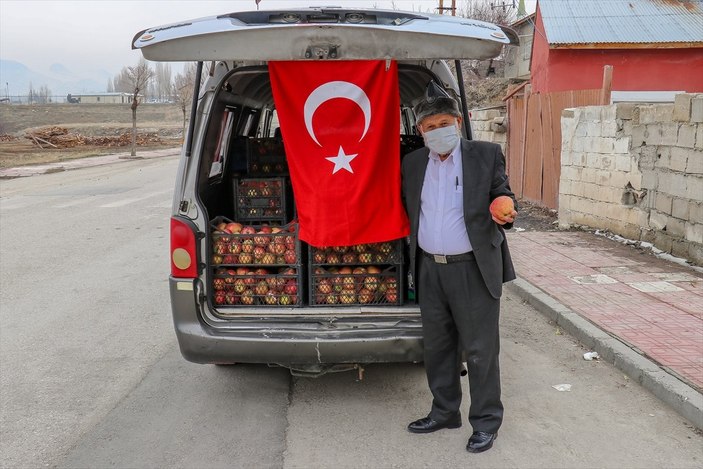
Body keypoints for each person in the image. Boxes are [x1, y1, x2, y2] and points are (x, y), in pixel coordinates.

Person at [401, 81, 517, 454]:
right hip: (430, 269)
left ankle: (485, 422)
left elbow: (503, 192)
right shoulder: (414, 162)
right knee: (437, 348)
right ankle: (444, 412)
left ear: (459, 121)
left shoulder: (486, 154)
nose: (438, 131)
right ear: (420, 132)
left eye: (443, 123)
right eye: (429, 127)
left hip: (471, 268)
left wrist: (503, 207)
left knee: (481, 350)